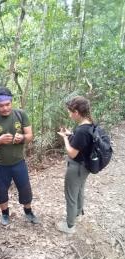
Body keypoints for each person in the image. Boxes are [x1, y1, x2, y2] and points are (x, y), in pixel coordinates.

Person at [0, 86, 38, 226]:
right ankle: (5, 214)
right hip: (0, 164)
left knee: (25, 188)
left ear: (11, 102)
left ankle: (28, 211)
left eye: (8, 104)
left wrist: (23, 138)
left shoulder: (20, 114)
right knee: (1, 191)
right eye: (1, 105)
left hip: (19, 161)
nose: (5, 108)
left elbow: (30, 136)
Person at [56, 96, 93, 234]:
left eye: (70, 111)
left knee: (70, 195)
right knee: (79, 190)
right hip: (85, 167)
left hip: (76, 167)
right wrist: (71, 134)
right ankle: (77, 212)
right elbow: (82, 141)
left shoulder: (81, 130)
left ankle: (70, 225)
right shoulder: (90, 124)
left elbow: (72, 153)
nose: (69, 114)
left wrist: (65, 138)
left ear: (76, 112)